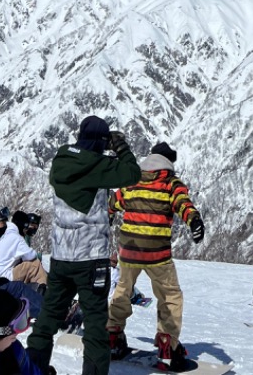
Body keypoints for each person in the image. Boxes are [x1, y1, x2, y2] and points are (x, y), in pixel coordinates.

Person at [26, 116, 140, 375]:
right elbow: (132, 173)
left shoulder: (60, 162)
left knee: (47, 320)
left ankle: (32, 368)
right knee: (97, 327)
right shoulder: (99, 165)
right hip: (91, 260)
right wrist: (120, 146)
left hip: (62, 257)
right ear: (101, 142)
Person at [107, 140, 204, 371]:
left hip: (128, 250)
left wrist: (108, 216)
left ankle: (112, 337)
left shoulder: (132, 181)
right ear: (169, 162)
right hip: (157, 253)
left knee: (122, 291)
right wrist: (195, 221)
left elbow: (113, 202)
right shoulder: (170, 182)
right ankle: (167, 347)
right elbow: (183, 203)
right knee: (170, 296)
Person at [0, 211, 47, 318]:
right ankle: (42, 300)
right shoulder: (18, 237)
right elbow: (31, 256)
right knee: (35, 265)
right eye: (31, 225)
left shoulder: (5, 231)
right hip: (3, 276)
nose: (32, 228)